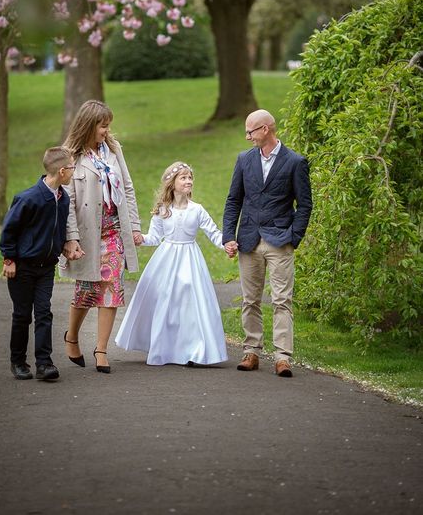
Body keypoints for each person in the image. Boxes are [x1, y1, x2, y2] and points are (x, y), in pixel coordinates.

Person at [222, 109, 312, 377]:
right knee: (250, 300)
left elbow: (305, 204)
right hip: (248, 240)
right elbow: (233, 200)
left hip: (280, 240)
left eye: (251, 131)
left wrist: (294, 238)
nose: (247, 136)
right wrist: (229, 236)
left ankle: (283, 357)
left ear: (266, 129)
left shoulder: (295, 161)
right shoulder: (244, 159)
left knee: (282, 300)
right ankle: (251, 351)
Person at [115, 161, 229, 366]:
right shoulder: (162, 210)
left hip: (190, 259)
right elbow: (155, 237)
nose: (188, 181)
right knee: (166, 301)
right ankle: (163, 348)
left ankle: (194, 350)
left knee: (190, 303)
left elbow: (214, 233)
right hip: (166, 260)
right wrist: (141, 238)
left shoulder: (197, 210)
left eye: (190, 177)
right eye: (183, 178)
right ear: (172, 183)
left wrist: (226, 245)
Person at [59, 99, 142, 374]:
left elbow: (127, 188)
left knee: (112, 290)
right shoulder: (71, 156)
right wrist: (71, 238)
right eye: (102, 126)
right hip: (87, 235)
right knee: (86, 291)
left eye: (108, 126)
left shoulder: (113, 151)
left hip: (114, 231)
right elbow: (67, 201)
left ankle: (101, 349)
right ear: (88, 126)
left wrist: (135, 225)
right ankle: (71, 337)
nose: (106, 131)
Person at [0, 146, 76, 381]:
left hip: (46, 269)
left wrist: (65, 245)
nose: (74, 171)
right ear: (62, 171)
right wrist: (9, 259)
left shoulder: (63, 199)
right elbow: (9, 232)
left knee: (44, 313)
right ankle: (18, 362)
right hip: (22, 267)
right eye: (72, 167)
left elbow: (56, 229)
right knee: (22, 315)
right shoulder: (28, 198)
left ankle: (44, 363)